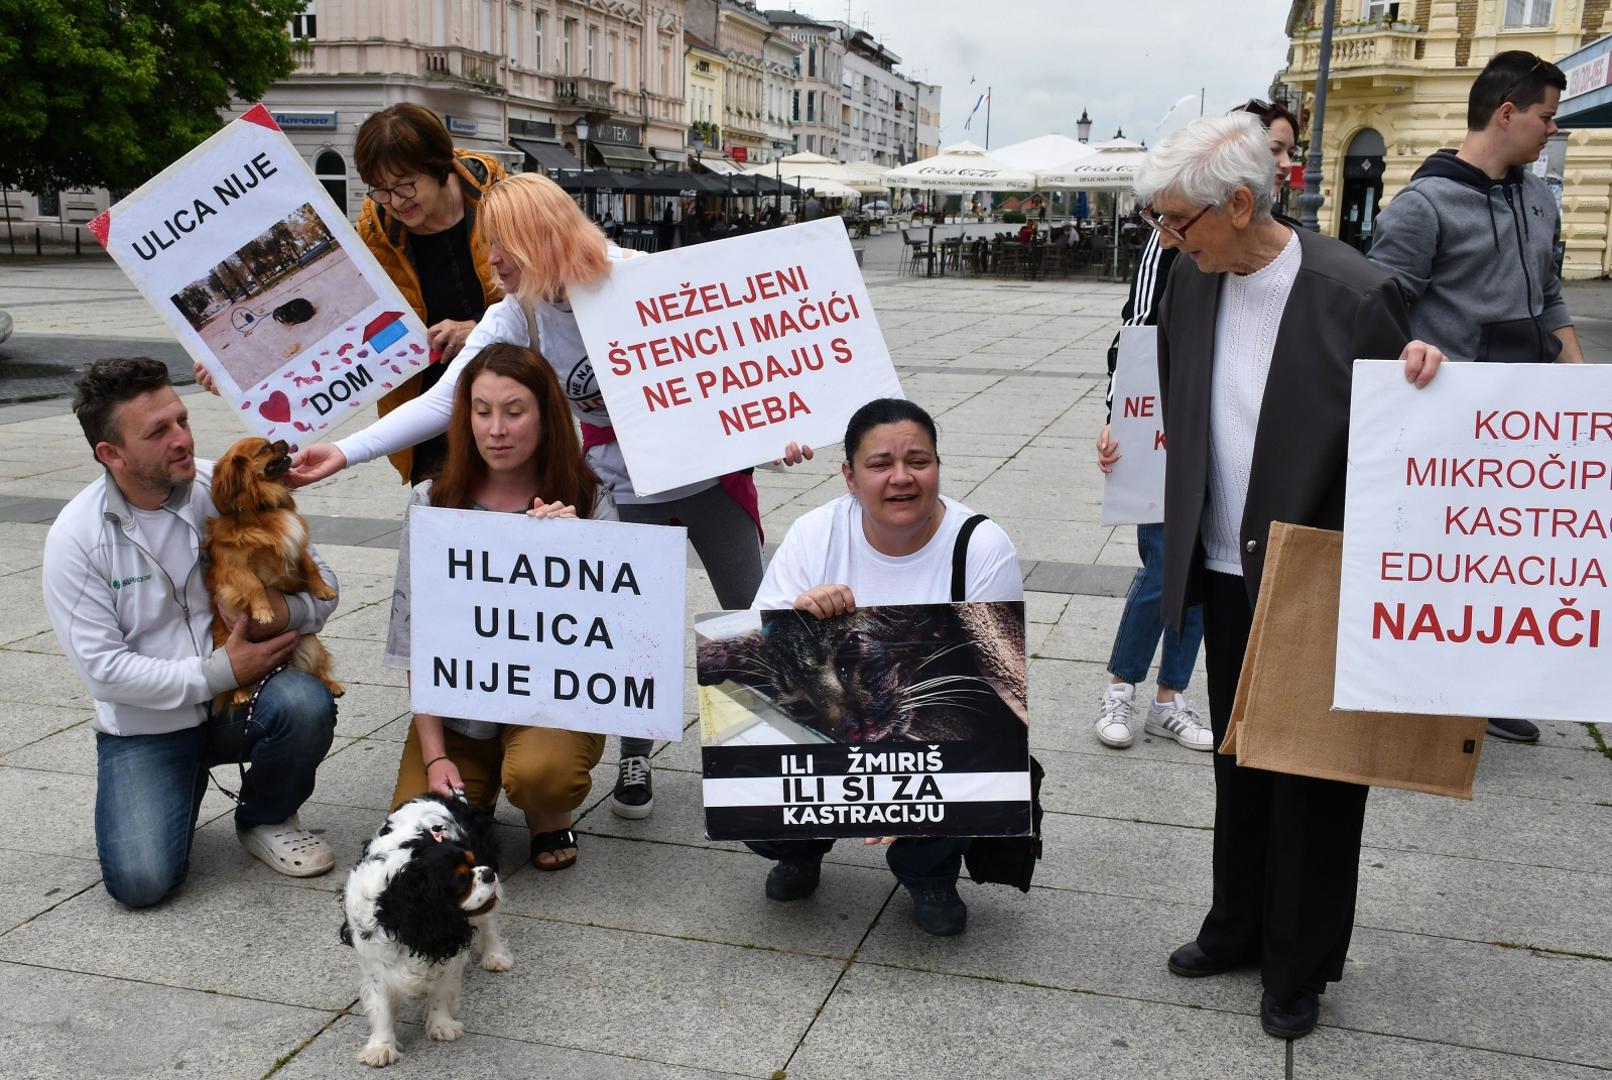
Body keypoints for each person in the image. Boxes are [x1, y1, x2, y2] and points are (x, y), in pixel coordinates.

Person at [289, 173, 798, 822]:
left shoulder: (641, 278)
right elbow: (447, 398)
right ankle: (634, 753)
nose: (492, 259)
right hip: (617, 484)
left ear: (543, 238)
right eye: (487, 243)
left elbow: (748, 358)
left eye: (504, 244)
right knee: (625, 625)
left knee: (751, 615)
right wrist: (346, 450)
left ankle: (778, 758)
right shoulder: (517, 312)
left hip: (709, 481)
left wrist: (784, 427)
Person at [1137, 113, 1446, 1039]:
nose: (1165, 239)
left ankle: (1300, 964)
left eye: (1176, 221)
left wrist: (1434, 377)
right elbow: (1180, 401)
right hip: (1225, 565)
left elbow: (1409, 446)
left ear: (1240, 202)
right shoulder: (1195, 282)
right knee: (1238, 760)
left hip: (1318, 573)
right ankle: (1238, 925)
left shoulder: (1354, 292)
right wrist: (1130, 438)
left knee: (1313, 776)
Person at [42, 358, 341, 908]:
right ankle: (177, 777)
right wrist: (221, 670)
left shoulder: (224, 482)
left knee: (304, 702)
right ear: (111, 454)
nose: (182, 439)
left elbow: (325, 587)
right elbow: (104, 673)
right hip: (147, 727)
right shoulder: (77, 537)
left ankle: (265, 816)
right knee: (142, 884)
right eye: (158, 432)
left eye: (181, 419)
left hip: (242, 704)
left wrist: (286, 612)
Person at [745, 398, 1023, 937]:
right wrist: (799, 615)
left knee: (989, 758)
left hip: (925, 719)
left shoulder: (980, 546)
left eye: (918, 461)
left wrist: (905, 792)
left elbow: (998, 684)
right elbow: (759, 650)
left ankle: (930, 870)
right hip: (834, 723)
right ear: (849, 476)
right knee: (753, 774)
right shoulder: (814, 533)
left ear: (938, 466)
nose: (902, 478)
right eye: (879, 465)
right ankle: (799, 848)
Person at [1369, 51, 1579, 743]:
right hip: (1446, 421)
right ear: (1507, 112)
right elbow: (1377, 311)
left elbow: (1550, 300)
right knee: (1441, 557)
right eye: (1547, 115)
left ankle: (1484, 688)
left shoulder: (1540, 198)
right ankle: (1414, 688)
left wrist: (1584, 399)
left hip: (1523, 421)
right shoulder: (1422, 206)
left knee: (1507, 560)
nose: (1553, 128)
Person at [1092, 99, 1298, 752]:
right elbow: (1142, 331)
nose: (1285, 163)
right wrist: (1120, 420)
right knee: (1163, 566)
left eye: (1290, 150)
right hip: (1167, 427)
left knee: (1210, 569)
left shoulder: (1285, 247)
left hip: (1243, 445)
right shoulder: (1180, 240)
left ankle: (1170, 698)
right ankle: (1122, 688)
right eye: (1275, 150)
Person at [384, 343, 615, 870]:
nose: (496, 429)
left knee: (543, 775)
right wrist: (436, 751)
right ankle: (475, 786)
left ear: (546, 417)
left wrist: (581, 553)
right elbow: (415, 638)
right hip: (462, 712)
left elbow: (617, 640)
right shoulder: (431, 502)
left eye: (514, 412)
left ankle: (547, 811)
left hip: (551, 704)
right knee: (419, 843)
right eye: (482, 411)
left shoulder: (587, 499)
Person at [355, 103, 507, 484]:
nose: (396, 201)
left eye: (406, 183)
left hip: (506, 398)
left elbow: (540, 293)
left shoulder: (497, 199)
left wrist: (477, 329)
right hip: (426, 408)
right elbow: (347, 316)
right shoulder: (376, 228)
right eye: (382, 190)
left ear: (438, 166)